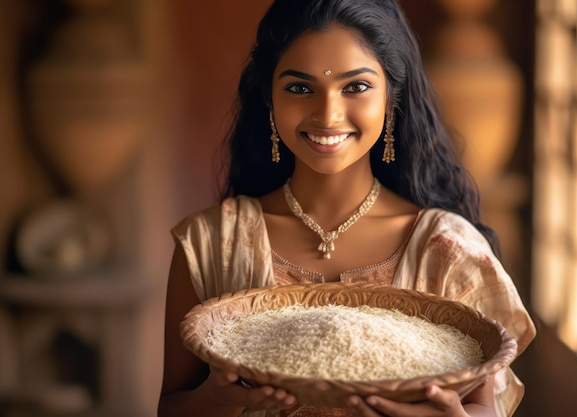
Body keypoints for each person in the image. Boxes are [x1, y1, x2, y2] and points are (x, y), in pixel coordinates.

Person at [158, 0, 536, 416]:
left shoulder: (448, 249)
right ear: (268, 98)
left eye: (355, 87)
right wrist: (219, 399)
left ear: (393, 98)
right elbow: (172, 406)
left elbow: (484, 408)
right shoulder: (211, 245)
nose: (328, 114)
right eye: (300, 88)